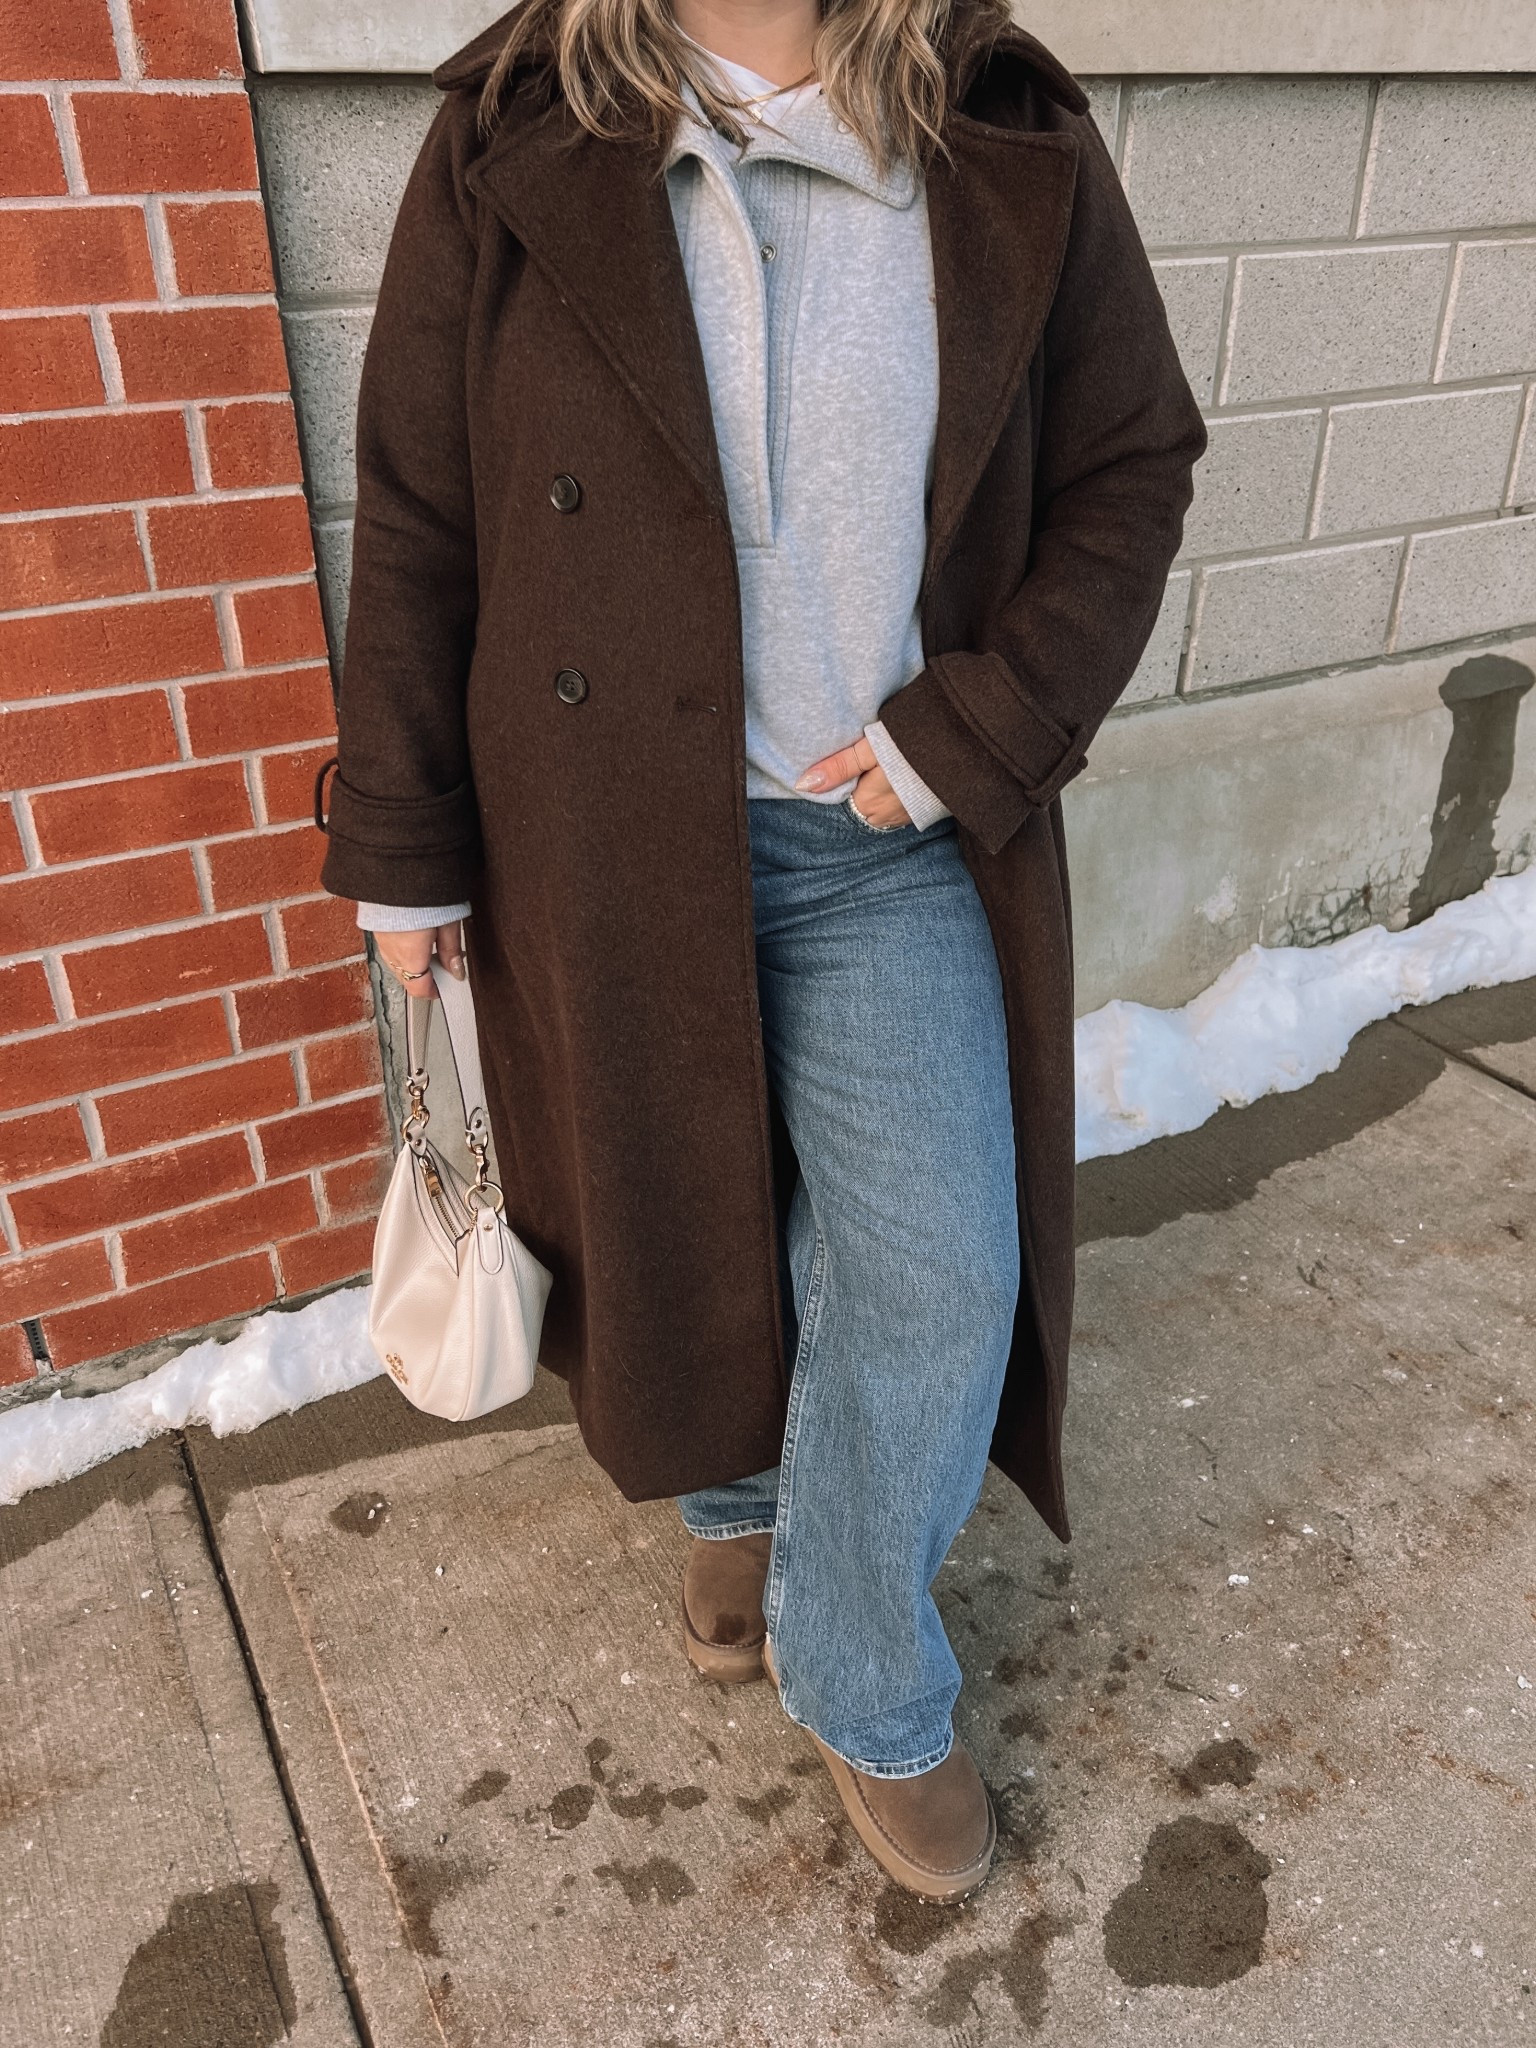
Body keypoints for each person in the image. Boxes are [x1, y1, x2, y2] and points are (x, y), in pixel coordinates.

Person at [317, 0, 1205, 1902]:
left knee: (941, 1268)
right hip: (609, 841)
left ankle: (858, 1653)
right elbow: (420, 515)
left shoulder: (995, 121)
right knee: (691, 1219)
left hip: (880, 836)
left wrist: (958, 738)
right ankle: (746, 1501)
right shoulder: (512, 130)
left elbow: (1132, 465)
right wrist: (405, 859)